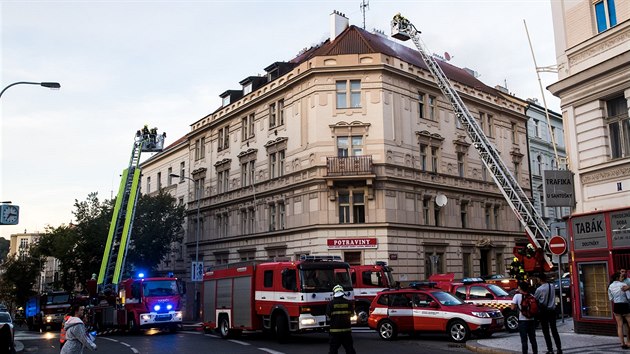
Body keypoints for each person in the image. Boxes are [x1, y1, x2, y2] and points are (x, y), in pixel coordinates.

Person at [534, 274, 562, 354]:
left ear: (540, 279)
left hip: (544, 312)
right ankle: (559, 349)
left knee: (546, 331)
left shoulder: (539, 289)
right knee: (554, 330)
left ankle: (550, 349)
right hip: (552, 310)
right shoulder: (552, 286)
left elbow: (535, 299)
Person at [326, 284, 356, 354]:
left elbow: (328, 316)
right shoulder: (348, 303)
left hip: (334, 332)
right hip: (346, 331)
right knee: (349, 349)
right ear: (342, 293)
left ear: (334, 293)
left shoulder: (331, 304)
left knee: (333, 350)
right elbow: (352, 314)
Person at [511, 281, 538, 354]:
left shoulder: (517, 296)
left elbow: (512, 308)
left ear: (520, 287)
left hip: (522, 321)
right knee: (533, 340)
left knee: (524, 340)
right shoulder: (531, 295)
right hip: (531, 320)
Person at [608, 271, 630, 349]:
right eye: (621, 277)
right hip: (624, 305)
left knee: (619, 326)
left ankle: (622, 343)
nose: (622, 278)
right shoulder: (624, 285)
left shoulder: (610, 286)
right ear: (618, 278)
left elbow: (611, 298)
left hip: (616, 306)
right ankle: (629, 342)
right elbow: (629, 297)